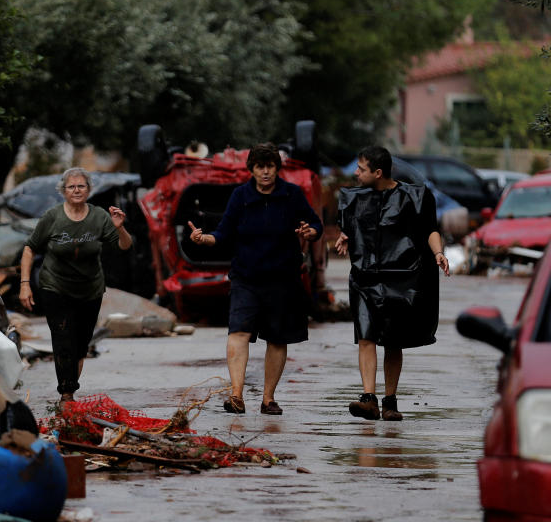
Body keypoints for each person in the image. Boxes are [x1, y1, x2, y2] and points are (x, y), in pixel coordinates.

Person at [187, 143, 321, 415]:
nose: (265, 172)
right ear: (251, 169)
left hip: (283, 278)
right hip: (246, 277)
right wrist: (205, 239)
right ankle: (236, 396)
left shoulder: (292, 194)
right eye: (260, 167)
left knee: (277, 338)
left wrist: (310, 232)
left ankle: (268, 398)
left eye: (270, 166)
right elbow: (224, 232)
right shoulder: (240, 196)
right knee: (238, 331)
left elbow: (315, 224)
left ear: (277, 168)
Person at [335, 145, 450, 421]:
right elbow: (352, 227)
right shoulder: (354, 199)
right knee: (365, 336)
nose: (356, 173)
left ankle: (390, 401)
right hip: (364, 277)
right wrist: (346, 236)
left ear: (378, 172)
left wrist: (438, 253)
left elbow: (430, 230)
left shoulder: (415, 197)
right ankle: (368, 398)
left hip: (402, 277)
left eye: (361, 169)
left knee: (392, 341)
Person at [19, 168, 133, 402]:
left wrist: (120, 227)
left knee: (80, 346)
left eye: (81, 186)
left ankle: (70, 389)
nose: (77, 190)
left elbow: (124, 246)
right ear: (63, 191)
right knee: (63, 341)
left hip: (90, 290)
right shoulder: (52, 217)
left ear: (89, 190)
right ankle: (67, 395)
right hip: (55, 287)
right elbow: (30, 248)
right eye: (71, 187)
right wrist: (25, 284)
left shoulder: (99, 216)